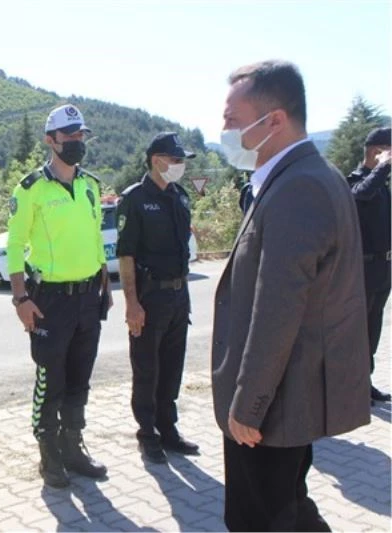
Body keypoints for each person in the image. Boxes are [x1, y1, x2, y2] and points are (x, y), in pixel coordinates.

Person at [211, 60, 370, 531]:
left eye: (232, 121)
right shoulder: (302, 178)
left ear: (274, 121)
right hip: (284, 398)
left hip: (274, 405)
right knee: (289, 509)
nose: (223, 131)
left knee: (259, 519)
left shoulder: (299, 187)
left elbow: (277, 308)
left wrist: (248, 405)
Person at [7, 104, 112, 488]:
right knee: (50, 379)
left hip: (88, 296)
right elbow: (15, 245)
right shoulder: (31, 187)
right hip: (49, 299)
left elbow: (95, 235)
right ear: (51, 141)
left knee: (80, 379)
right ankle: (49, 453)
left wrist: (104, 284)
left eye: (81, 135)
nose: (77, 142)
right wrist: (20, 299)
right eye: (70, 137)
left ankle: (73, 447)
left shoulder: (91, 185)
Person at [115, 132, 200, 464]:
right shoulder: (135, 199)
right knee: (147, 369)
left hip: (179, 296)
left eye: (181, 161)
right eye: (175, 159)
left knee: (172, 368)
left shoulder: (179, 197)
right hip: (149, 299)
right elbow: (126, 256)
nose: (179, 165)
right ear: (156, 160)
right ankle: (147, 433)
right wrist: (131, 304)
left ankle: (169, 430)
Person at [346, 127, 391, 404]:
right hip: (362, 271)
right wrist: (382, 168)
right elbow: (359, 196)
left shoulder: (381, 185)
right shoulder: (356, 181)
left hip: (383, 270)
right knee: (357, 333)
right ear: (377, 151)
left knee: (372, 332)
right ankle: (352, 387)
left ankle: (366, 381)